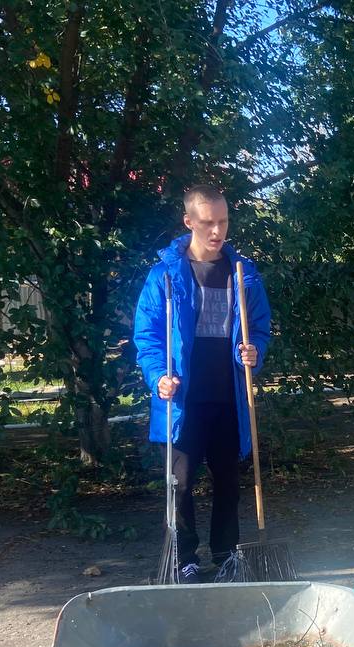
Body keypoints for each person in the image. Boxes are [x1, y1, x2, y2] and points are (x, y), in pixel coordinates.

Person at [133, 185, 272, 584]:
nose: (217, 231)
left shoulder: (244, 274)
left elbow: (259, 328)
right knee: (179, 484)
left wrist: (254, 352)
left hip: (229, 399)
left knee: (229, 483)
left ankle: (227, 557)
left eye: (223, 222)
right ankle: (186, 560)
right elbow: (148, 336)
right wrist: (158, 376)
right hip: (182, 402)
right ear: (188, 221)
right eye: (208, 222)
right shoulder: (165, 276)